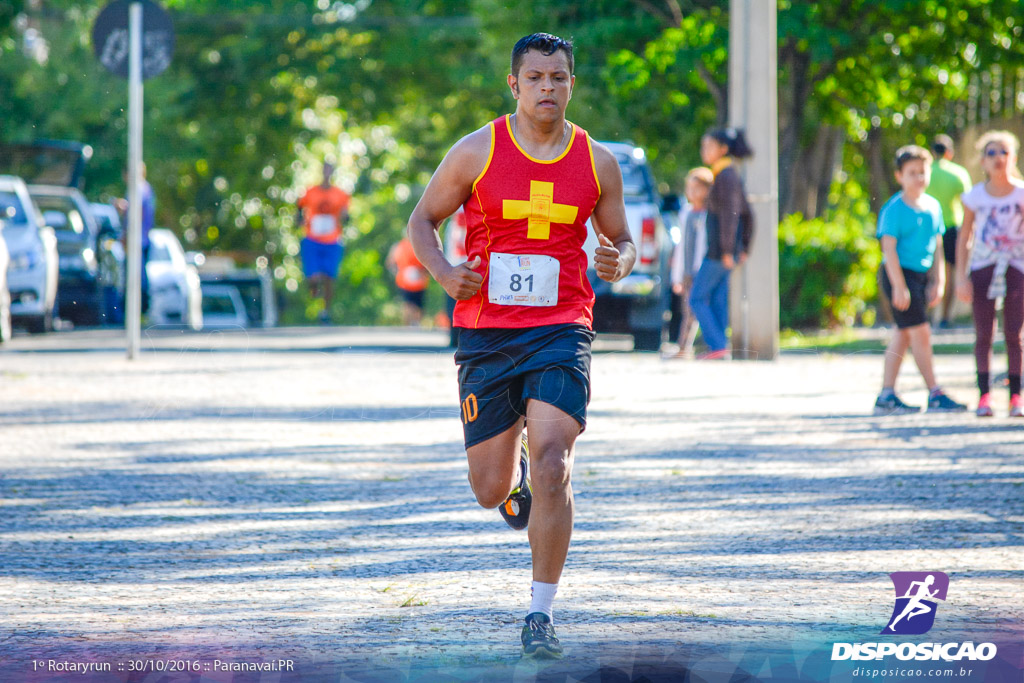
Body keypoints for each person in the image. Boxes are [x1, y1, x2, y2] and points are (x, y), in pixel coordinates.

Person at [406, 32, 634, 659]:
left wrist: (621, 260)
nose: (547, 89)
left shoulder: (596, 161)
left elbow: (623, 238)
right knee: (487, 487)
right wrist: (444, 272)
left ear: (571, 83)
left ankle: (540, 613)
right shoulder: (477, 151)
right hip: (486, 331)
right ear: (514, 85)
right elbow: (421, 220)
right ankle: (514, 486)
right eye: (534, 78)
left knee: (557, 458)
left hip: (562, 324)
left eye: (558, 78)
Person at [873, 145, 966, 415]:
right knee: (921, 333)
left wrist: (939, 279)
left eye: (922, 172)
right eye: (911, 173)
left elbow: (937, 245)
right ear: (899, 175)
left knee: (902, 336)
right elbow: (888, 250)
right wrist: (900, 287)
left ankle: (886, 395)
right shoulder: (893, 209)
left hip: (922, 276)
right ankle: (935, 392)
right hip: (899, 275)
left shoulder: (933, 206)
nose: (918, 178)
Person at [955, 130, 1024, 418]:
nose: (998, 158)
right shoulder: (975, 196)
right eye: (991, 153)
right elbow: (965, 236)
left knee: (1014, 333)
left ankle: (1016, 396)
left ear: (1014, 157)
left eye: (1004, 152)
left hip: (1016, 267)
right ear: (982, 161)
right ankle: (984, 395)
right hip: (983, 266)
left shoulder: (1021, 193)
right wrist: (961, 275)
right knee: (984, 332)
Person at [688, 128, 754, 360]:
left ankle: (718, 345)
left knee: (696, 298)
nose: (704, 151)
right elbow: (747, 213)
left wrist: (730, 250)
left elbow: (732, 215)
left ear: (723, 149)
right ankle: (719, 347)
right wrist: (742, 246)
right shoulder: (725, 174)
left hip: (718, 252)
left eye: (709, 146)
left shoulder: (726, 176)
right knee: (716, 298)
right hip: (723, 251)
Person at [926, 134, 973, 327]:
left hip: (927, 227)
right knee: (951, 273)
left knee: (929, 272)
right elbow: (969, 203)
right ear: (950, 153)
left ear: (932, 152)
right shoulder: (958, 173)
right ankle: (945, 317)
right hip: (951, 227)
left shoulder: (925, 171)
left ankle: (925, 317)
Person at [296, 160, 350, 324]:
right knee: (313, 277)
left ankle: (325, 311)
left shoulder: (340, 194)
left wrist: (345, 217)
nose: (327, 173)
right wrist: (297, 220)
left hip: (332, 240)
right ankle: (313, 288)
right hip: (312, 238)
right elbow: (299, 207)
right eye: (325, 170)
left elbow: (346, 214)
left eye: (330, 170)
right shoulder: (310, 191)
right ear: (322, 171)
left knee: (329, 278)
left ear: (332, 172)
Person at [668, 167, 713, 358]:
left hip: (702, 270)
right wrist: (676, 274)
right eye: (690, 188)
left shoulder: (709, 214)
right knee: (687, 310)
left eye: (698, 188)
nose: (693, 192)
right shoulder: (686, 212)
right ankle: (684, 347)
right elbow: (682, 246)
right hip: (686, 270)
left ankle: (691, 346)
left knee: (696, 309)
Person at [116, 162, 155, 315]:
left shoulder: (139, 189)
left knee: (136, 278)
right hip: (141, 239)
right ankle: (137, 312)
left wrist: (123, 208)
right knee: (137, 276)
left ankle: (139, 311)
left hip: (138, 241)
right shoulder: (144, 188)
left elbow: (135, 214)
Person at [386, 236, 429, 326]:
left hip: (413, 281)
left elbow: (390, 263)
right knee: (410, 304)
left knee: (411, 304)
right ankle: (412, 325)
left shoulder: (400, 246)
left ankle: (412, 325)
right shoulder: (401, 246)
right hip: (408, 281)